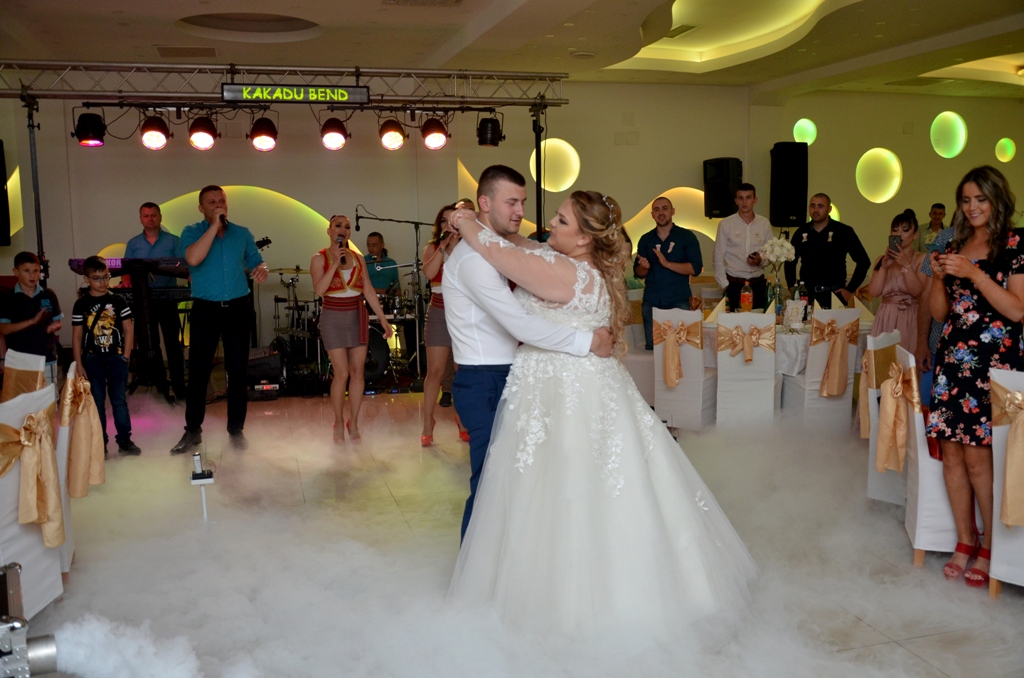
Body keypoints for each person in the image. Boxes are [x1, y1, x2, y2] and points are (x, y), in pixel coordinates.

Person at [447, 189, 757, 634]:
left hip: (565, 392)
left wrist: (464, 220)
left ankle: (577, 604)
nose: (549, 226)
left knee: (566, 488)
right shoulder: (573, 264)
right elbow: (523, 244)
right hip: (569, 386)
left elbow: (501, 252)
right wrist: (478, 221)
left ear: (584, 239)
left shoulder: (563, 272)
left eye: (561, 221)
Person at [442, 165, 614, 540]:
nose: (521, 211)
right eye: (511, 202)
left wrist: (465, 219)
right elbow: (519, 324)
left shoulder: (503, 249)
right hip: (485, 380)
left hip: (517, 376)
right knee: (489, 487)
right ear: (485, 202)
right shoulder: (473, 259)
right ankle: (474, 568)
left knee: (521, 485)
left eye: (522, 201)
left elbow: (527, 252)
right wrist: (588, 342)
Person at [927, 165, 1024, 589]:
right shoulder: (956, 244)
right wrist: (938, 279)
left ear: (997, 199)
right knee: (951, 454)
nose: (972, 207)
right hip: (953, 360)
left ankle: (990, 545)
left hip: (994, 364)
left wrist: (974, 274)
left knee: (979, 458)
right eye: (966, 200)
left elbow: (1017, 310)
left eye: (980, 199)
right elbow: (939, 313)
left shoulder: (1015, 244)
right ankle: (965, 539)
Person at [170, 185, 269, 454]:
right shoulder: (191, 232)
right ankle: (193, 431)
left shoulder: (242, 233)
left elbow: (257, 261)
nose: (218, 205)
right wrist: (214, 226)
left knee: (237, 371)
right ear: (201, 208)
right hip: (206, 308)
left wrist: (262, 269)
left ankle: (236, 430)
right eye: (212, 202)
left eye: (221, 201)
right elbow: (193, 258)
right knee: (199, 371)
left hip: (238, 307)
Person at [311, 215, 393, 443]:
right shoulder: (319, 258)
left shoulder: (358, 258)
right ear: (329, 231)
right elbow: (319, 290)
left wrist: (383, 320)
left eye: (347, 227)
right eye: (338, 226)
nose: (343, 230)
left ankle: (353, 422)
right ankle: (338, 421)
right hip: (332, 316)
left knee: (358, 372)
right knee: (342, 373)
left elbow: (368, 290)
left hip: (357, 315)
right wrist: (334, 264)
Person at [71, 256, 140, 455]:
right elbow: (77, 336)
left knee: (119, 401)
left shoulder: (118, 300)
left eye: (106, 277)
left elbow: (128, 329)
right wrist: (78, 363)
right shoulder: (81, 304)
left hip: (117, 358)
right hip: (93, 359)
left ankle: (125, 440)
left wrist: (126, 356)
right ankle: (100, 442)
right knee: (97, 403)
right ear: (86, 279)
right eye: (97, 278)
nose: (103, 282)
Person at [123, 202, 187, 403]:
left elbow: (184, 267)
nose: (150, 219)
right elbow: (126, 272)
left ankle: (179, 385)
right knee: (150, 343)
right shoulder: (133, 244)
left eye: (153, 215)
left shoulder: (174, 241)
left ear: (160, 217)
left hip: (167, 299)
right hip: (143, 301)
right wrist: (126, 285)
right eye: (146, 215)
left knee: (173, 343)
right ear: (140, 219)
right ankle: (160, 382)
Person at [420, 204, 468, 446]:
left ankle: (463, 419)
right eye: (444, 221)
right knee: (435, 372)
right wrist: (442, 246)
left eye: (453, 220)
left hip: (463, 312)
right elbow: (429, 273)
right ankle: (428, 423)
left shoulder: (470, 247)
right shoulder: (432, 248)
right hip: (438, 310)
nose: (448, 225)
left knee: (463, 370)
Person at [633, 197, 703, 350]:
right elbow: (638, 273)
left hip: (679, 300)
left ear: (673, 211)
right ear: (652, 215)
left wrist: (668, 264)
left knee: (682, 348)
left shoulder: (686, 237)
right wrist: (644, 267)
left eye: (665, 208)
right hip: (652, 302)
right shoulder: (646, 239)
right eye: (656, 210)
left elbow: (695, 269)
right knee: (653, 350)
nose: (661, 213)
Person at [784, 193, 871, 308]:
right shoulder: (801, 232)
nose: (816, 210)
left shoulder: (843, 231)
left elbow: (864, 262)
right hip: (806, 296)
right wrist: (791, 287)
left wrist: (849, 290)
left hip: (834, 295)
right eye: (812, 206)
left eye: (820, 206)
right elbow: (789, 261)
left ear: (829, 209)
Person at [865, 210, 927, 355]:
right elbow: (874, 292)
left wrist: (906, 265)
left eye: (905, 230)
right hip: (885, 315)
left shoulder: (922, 258)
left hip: (910, 315)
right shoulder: (882, 259)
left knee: (905, 360)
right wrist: (884, 267)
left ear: (915, 235)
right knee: (882, 360)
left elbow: (917, 291)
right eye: (895, 230)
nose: (899, 234)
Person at [0, 252, 63, 385]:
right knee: (24, 396)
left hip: (46, 357)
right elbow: (4, 329)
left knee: (49, 396)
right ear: (16, 272)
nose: (32, 275)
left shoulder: (48, 294)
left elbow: (58, 322)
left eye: (36, 271)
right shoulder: (7, 298)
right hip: (19, 360)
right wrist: (31, 321)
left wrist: (54, 326)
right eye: (27, 271)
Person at [713, 183, 772, 310]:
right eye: (741, 198)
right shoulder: (726, 224)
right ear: (736, 200)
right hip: (734, 284)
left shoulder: (764, 223)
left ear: (755, 200)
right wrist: (725, 285)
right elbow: (718, 257)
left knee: (759, 321)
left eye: (748, 197)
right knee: (732, 322)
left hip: (758, 284)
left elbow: (770, 254)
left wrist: (760, 260)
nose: (744, 202)